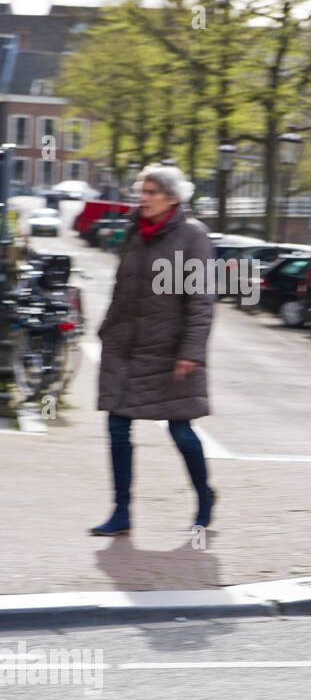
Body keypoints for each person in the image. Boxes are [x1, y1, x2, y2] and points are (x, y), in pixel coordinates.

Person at [92, 165, 216, 536]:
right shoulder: (134, 233)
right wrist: (106, 329)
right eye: (141, 191)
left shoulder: (193, 237)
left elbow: (202, 301)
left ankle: (204, 496)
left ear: (173, 198)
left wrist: (191, 351)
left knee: (180, 429)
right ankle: (122, 512)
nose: (142, 198)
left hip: (170, 352)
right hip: (125, 349)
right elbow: (121, 288)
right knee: (116, 426)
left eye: (151, 192)